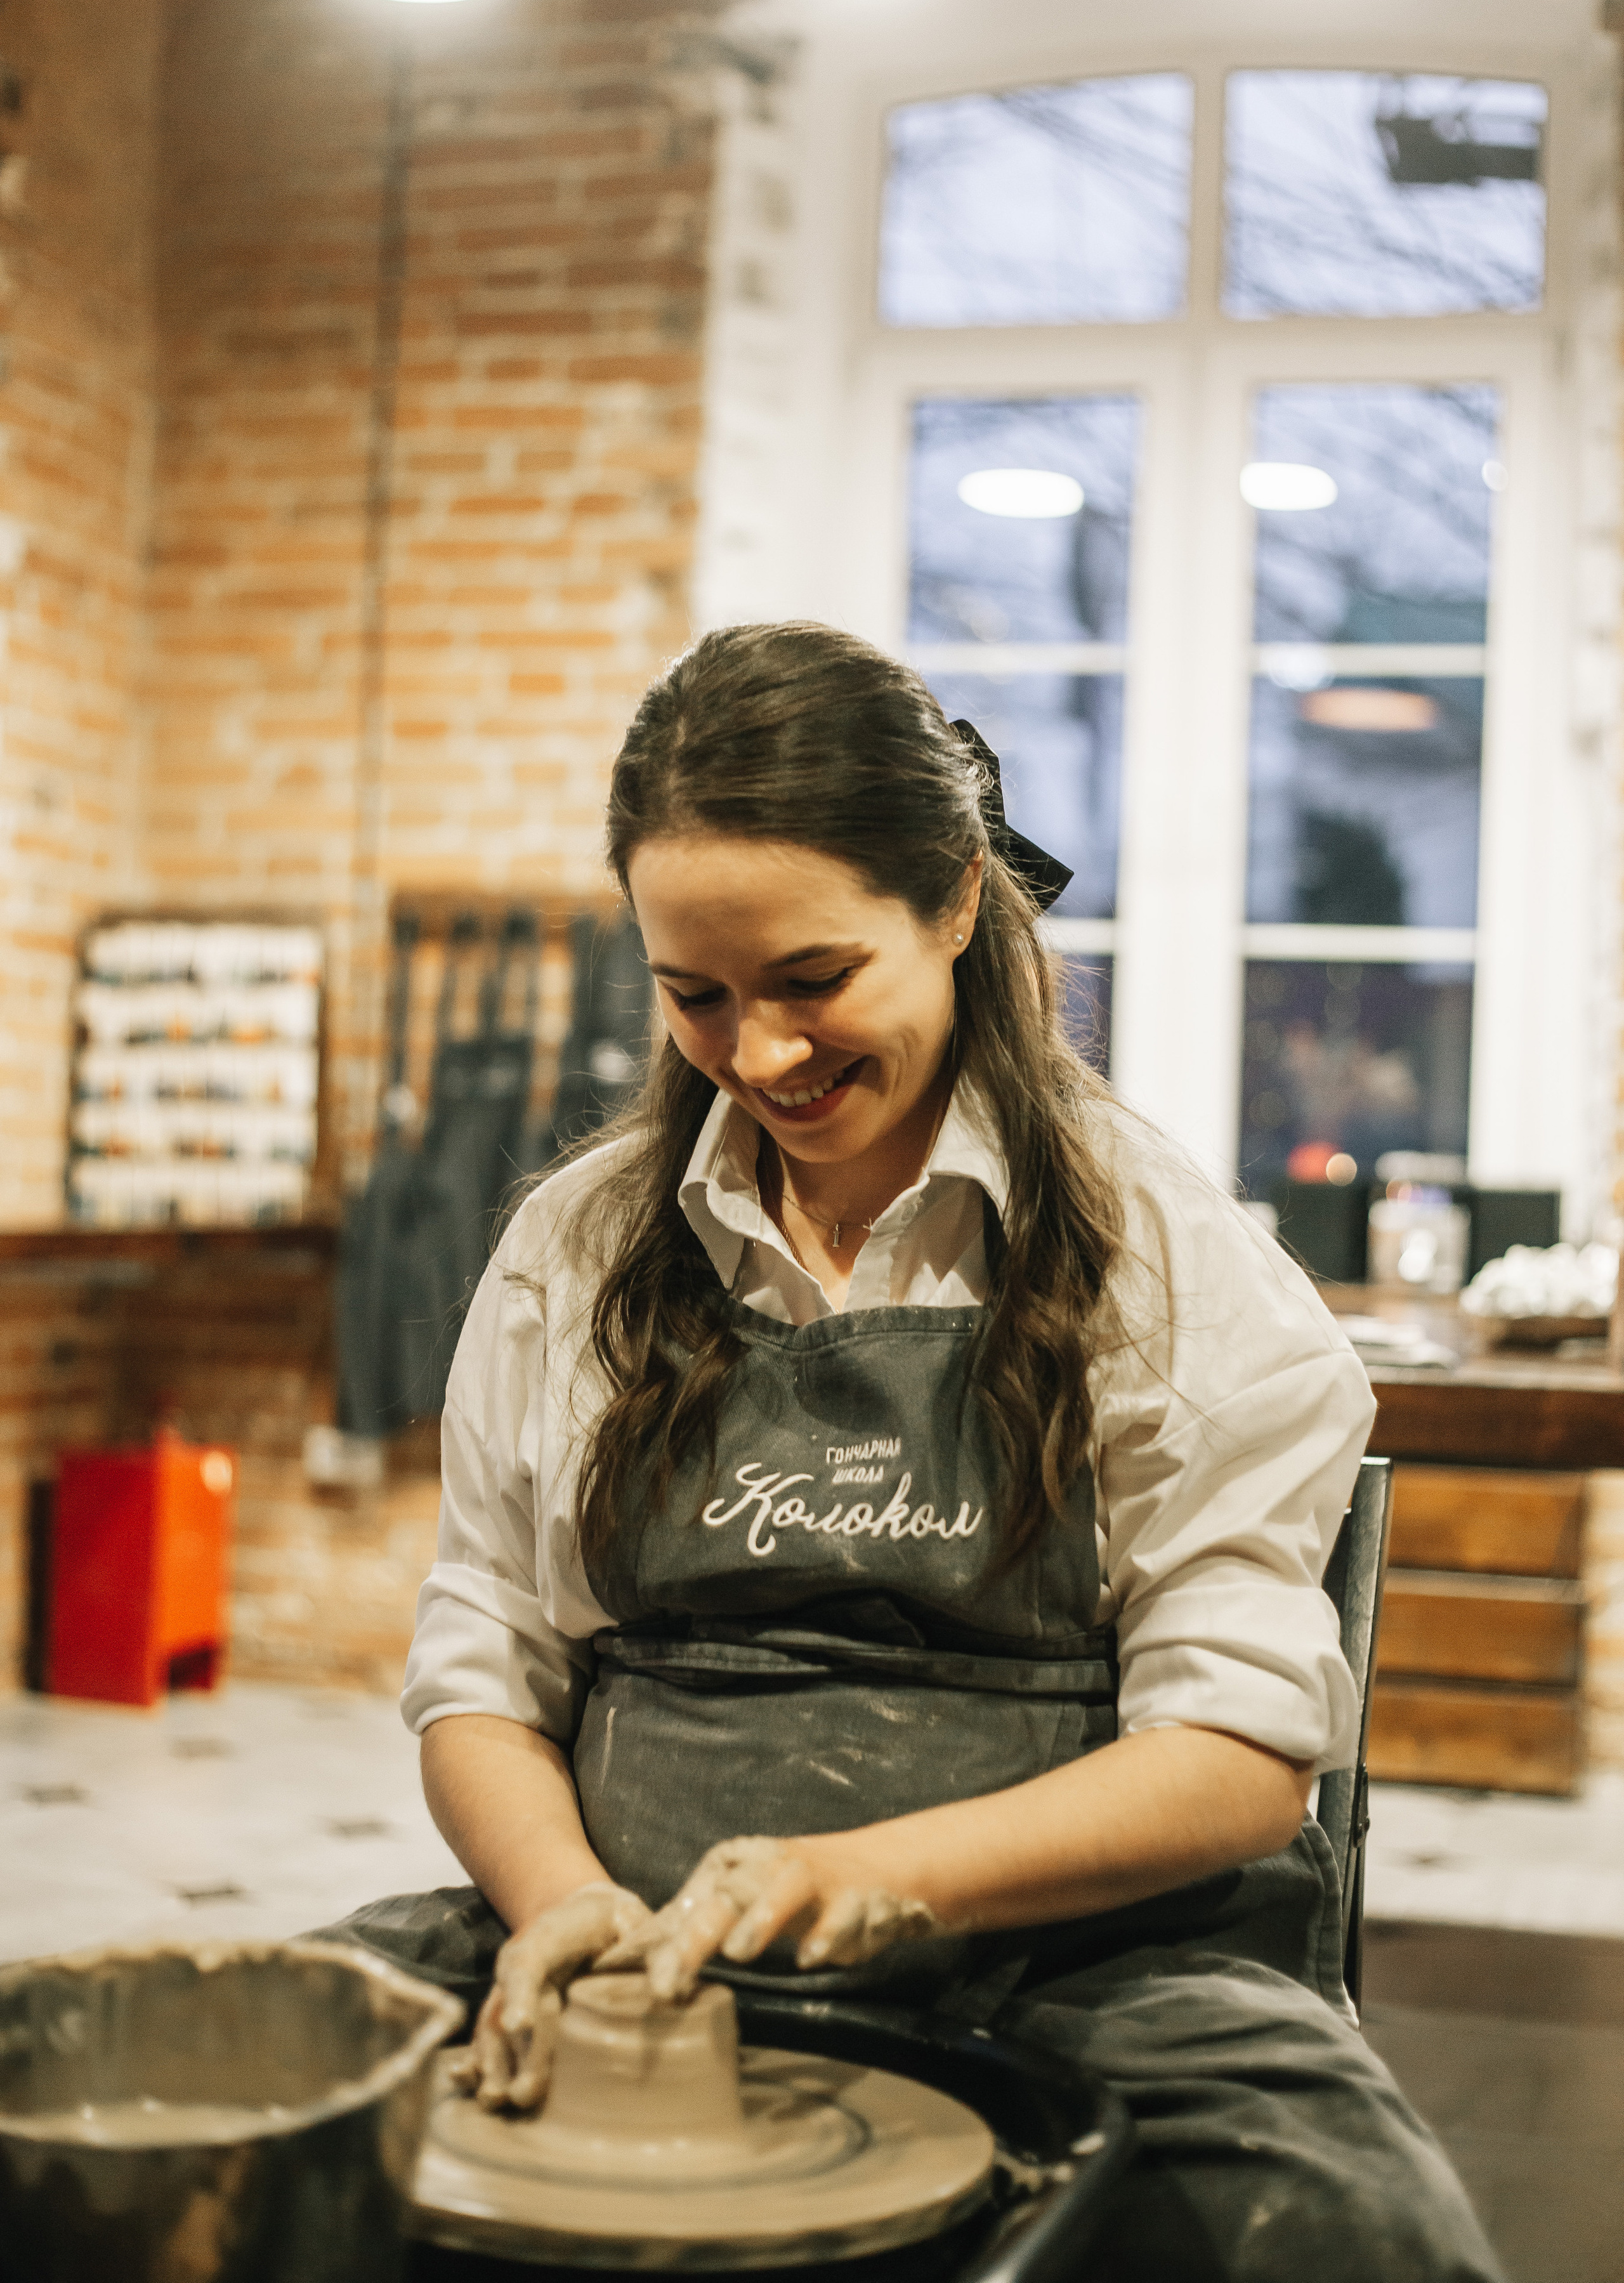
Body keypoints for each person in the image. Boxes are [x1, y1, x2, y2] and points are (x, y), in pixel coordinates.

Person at [329, 624, 1504, 2282]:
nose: (759, 1055)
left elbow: (1238, 1758)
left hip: (1082, 1970)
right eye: (696, 996)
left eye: (814, 980)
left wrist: (877, 1876)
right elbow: (485, 1674)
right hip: (627, 1941)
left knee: (1357, 2237)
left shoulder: (1165, 1258)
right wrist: (563, 1904)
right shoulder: (577, 1250)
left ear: (956, 903)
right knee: (238, 2120)